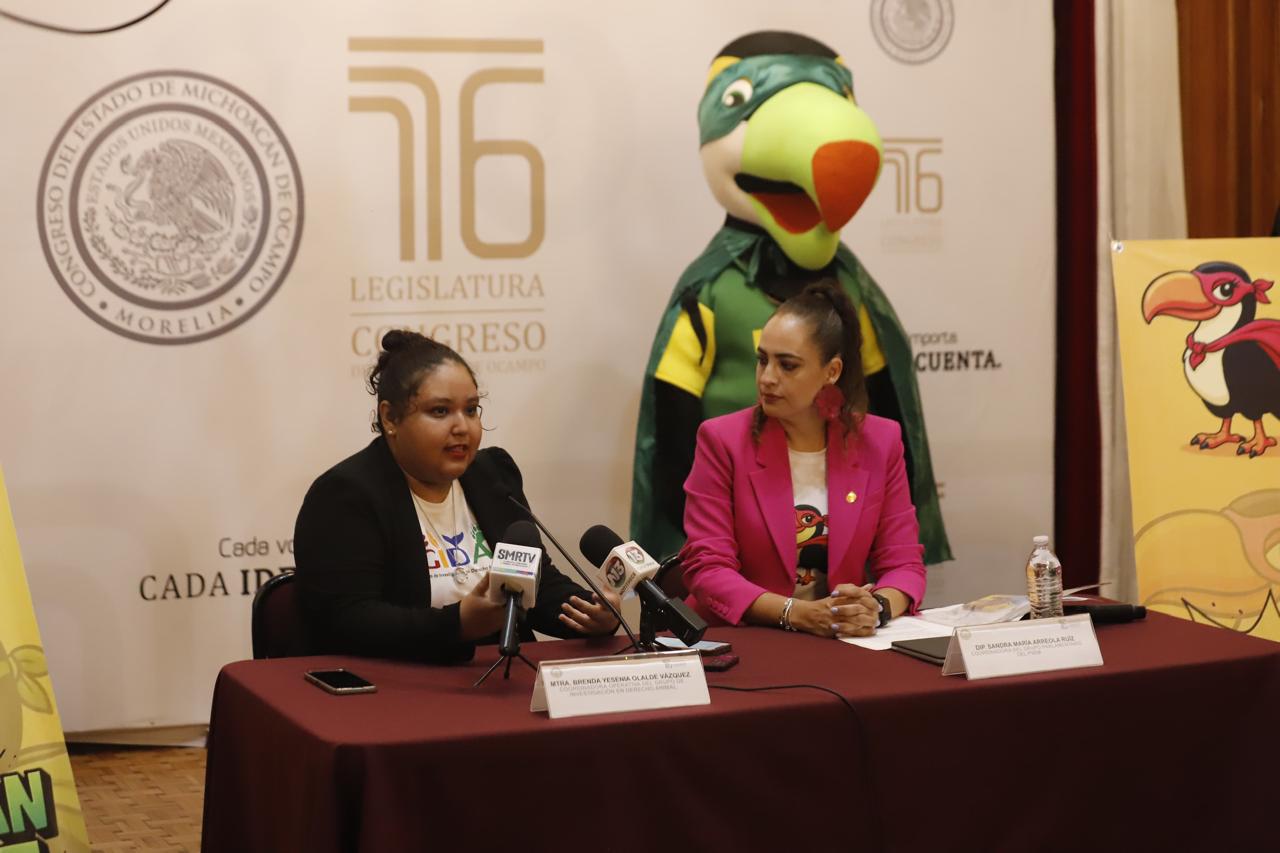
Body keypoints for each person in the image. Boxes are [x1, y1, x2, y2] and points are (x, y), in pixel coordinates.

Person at [294, 331, 620, 662]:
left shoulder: (493, 475)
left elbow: (537, 585)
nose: (462, 427)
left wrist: (593, 615)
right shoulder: (346, 495)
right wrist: (458, 625)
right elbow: (349, 621)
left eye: (471, 409)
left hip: (501, 677)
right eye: (440, 411)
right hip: (397, 683)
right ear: (390, 417)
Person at [680, 280, 926, 638]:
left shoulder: (880, 441)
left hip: (837, 640)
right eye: (762, 360)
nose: (767, 378)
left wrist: (875, 608)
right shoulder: (722, 440)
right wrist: (797, 614)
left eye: (787, 365)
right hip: (741, 638)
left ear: (832, 371)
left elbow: (904, 564)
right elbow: (707, 569)